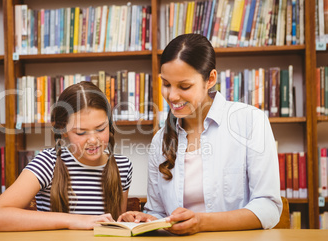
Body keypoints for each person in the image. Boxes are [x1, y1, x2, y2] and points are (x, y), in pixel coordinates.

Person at [117, 34, 282, 235]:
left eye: (184, 86)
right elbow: (159, 213)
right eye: (167, 84)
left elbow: (268, 207)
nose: (172, 96)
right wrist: (148, 220)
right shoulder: (160, 140)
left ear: (210, 79)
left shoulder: (250, 121)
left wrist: (201, 222)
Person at [0, 81, 133, 231]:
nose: (93, 140)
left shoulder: (123, 166)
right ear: (63, 130)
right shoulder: (47, 163)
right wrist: (74, 221)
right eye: (81, 132)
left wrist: (126, 219)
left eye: (101, 129)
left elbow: (115, 226)